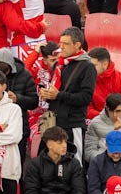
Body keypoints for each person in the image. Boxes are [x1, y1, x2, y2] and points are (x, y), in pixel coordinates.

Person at [40, 27, 97, 155]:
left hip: (72, 124)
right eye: (60, 43)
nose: (61, 47)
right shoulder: (59, 64)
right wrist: (48, 95)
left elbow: (86, 97)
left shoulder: (87, 66)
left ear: (77, 45)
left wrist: (58, 95)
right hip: (54, 123)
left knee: (73, 161)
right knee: (49, 161)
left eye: (66, 44)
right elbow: (55, 92)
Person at [21, 125, 87, 194]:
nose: (64, 145)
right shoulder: (35, 164)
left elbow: (80, 191)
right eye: (60, 143)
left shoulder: (74, 163)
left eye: (65, 142)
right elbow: (30, 192)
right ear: (49, 145)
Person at [85, 92, 121, 163]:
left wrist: (120, 130)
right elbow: (89, 153)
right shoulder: (95, 123)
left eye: (118, 111)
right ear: (107, 108)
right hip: (101, 165)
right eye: (111, 111)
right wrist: (106, 161)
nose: (115, 115)